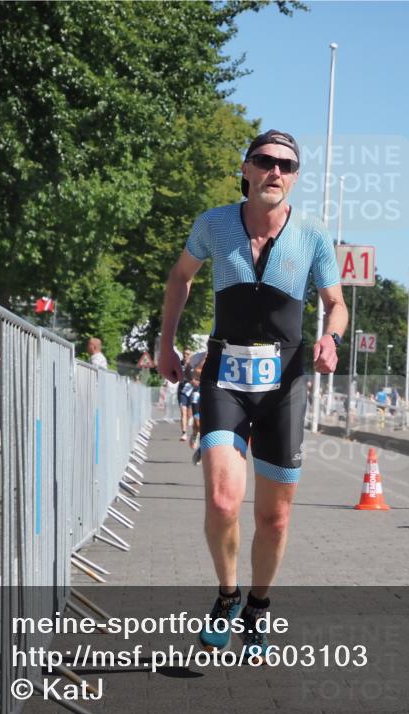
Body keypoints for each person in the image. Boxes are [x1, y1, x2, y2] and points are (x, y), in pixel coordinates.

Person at [158, 129, 347, 662]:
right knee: (223, 500)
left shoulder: (312, 235)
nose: (275, 171)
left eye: (286, 165)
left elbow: (336, 303)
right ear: (246, 169)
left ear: (295, 177)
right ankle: (227, 595)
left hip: (284, 385)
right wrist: (166, 342)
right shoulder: (215, 224)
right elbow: (180, 277)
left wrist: (330, 338)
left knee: (274, 518)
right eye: (264, 161)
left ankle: (258, 607)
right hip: (225, 377)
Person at [177, 348, 193, 441]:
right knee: (183, 411)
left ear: (191, 355)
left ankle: (189, 419)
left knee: (189, 413)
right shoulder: (179, 363)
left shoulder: (194, 364)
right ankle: (184, 433)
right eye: (184, 354)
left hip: (192, 390)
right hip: (182, 390)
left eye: (187, 354)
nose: (185, 355)